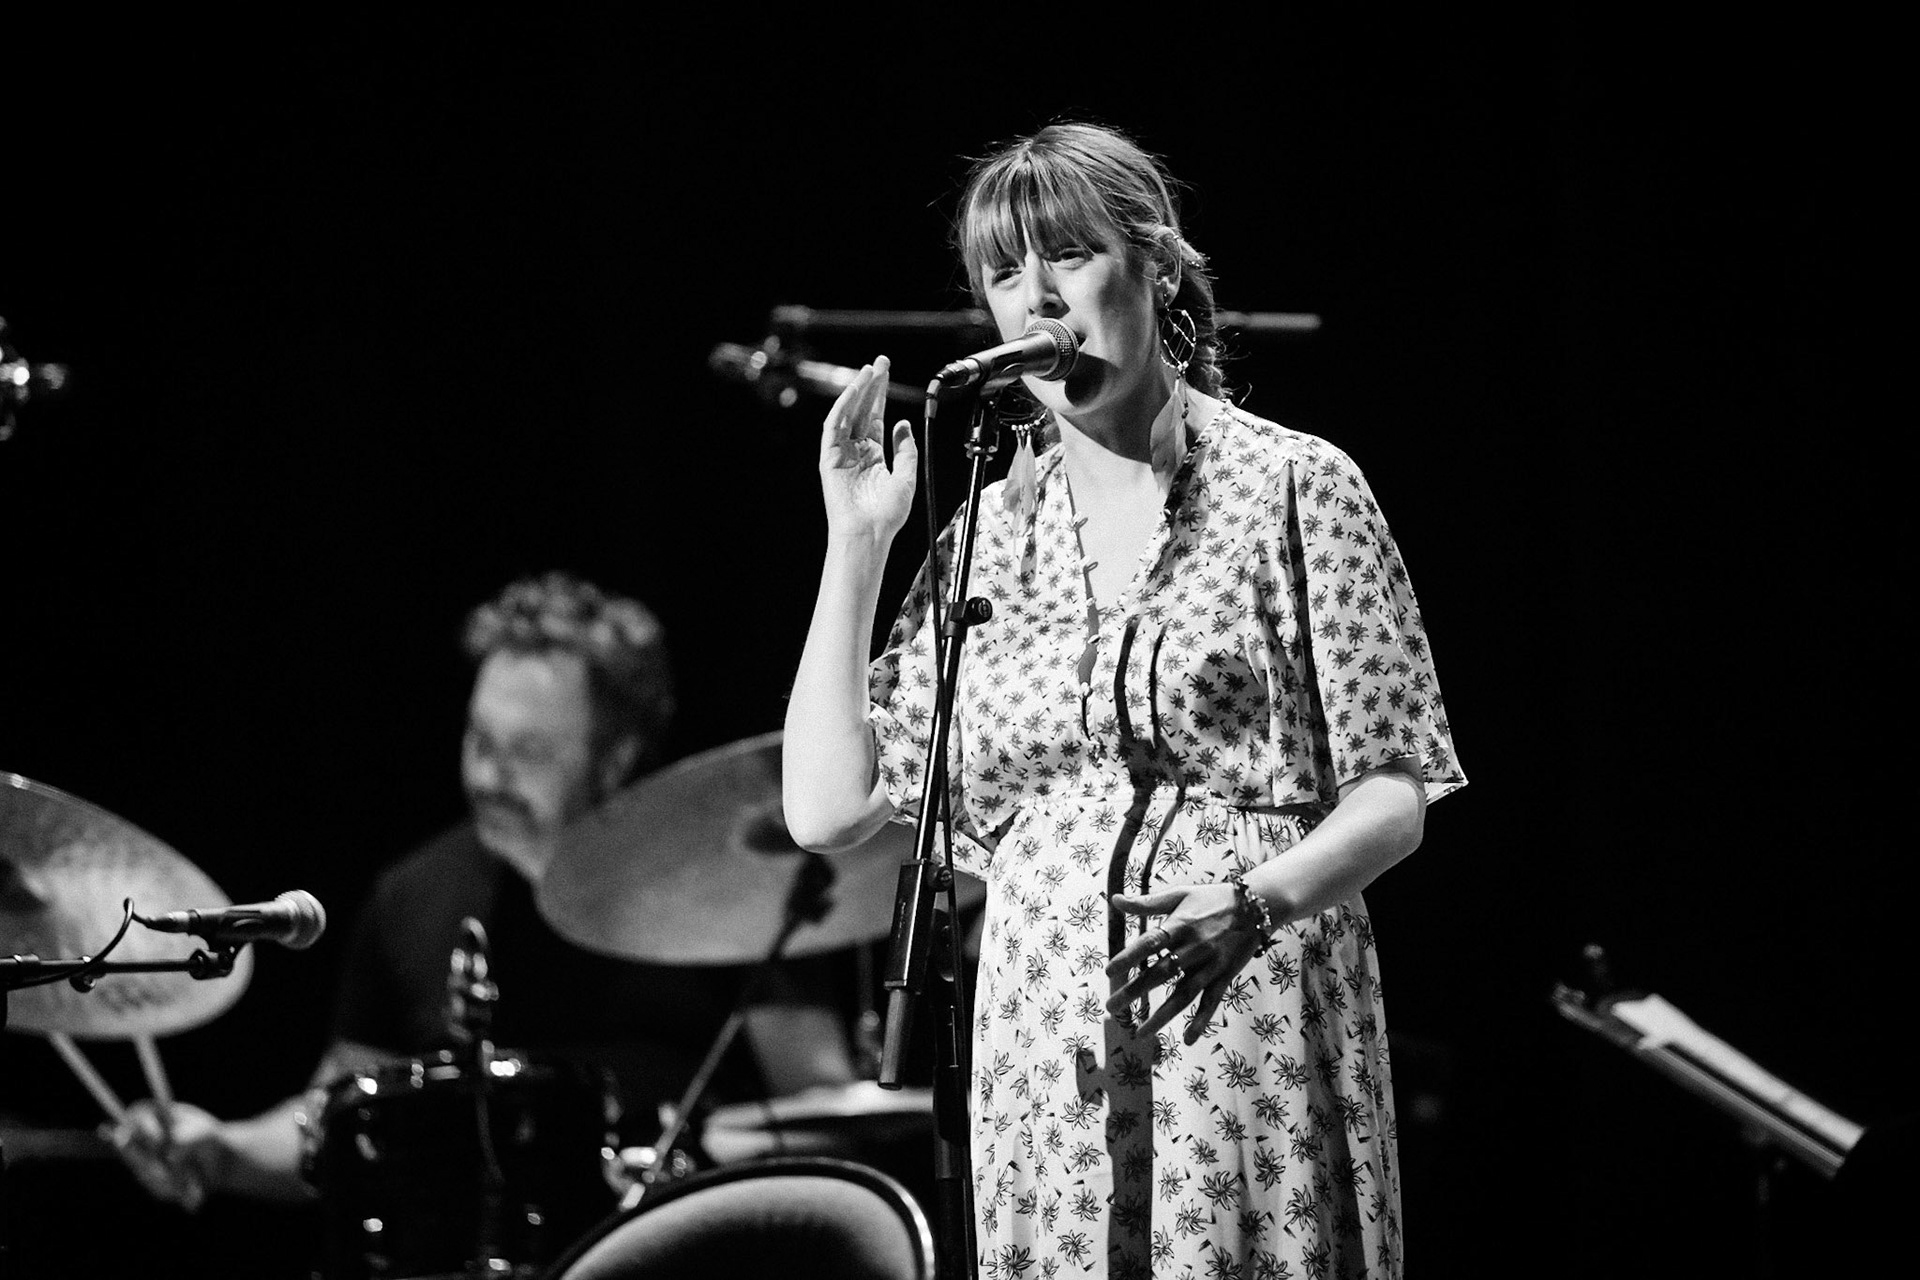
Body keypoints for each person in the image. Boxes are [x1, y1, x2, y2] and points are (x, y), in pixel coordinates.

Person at [783, 123, 1465, 1279]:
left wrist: (1256, 899)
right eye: (1005, 273)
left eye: (1069, 255)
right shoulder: (986, 539)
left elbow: (1397, 790)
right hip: (1042, 1049)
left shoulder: (1293, 484)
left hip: (1247, 1013)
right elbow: (826, 807)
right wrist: (858, 545)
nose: (1036, 297)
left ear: (1154, 265)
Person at [109, 571, 855, 1212]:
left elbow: (825, 1119)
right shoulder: (412, 896)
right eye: (479, 741)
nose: (489, 777)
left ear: (616, 754)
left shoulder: (733, 880)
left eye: (528, 752)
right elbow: (335, 1120)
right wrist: (224, 1148)